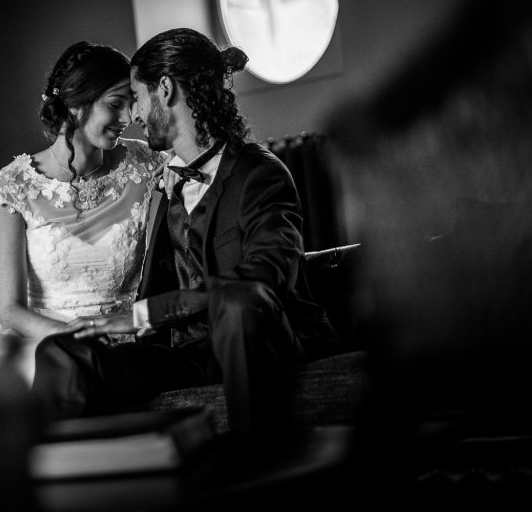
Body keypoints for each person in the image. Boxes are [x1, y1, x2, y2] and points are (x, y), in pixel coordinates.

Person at [32, 28, 341, 448]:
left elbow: (269, 277)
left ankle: (258, 467)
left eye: (137, 97)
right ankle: (69, 480)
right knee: (61, 352)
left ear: (165, 89)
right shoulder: (164, 182)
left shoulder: (260, 173)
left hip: (261, 337)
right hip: (191, 353)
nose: (134, 115)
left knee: (238, 302)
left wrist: (146, 314)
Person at [0, 41, 167, 387]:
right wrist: (79, 339)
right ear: (75, 104)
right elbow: (10, 310)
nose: (128, 117)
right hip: (39, 338)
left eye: (131, 103)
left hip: (124, 336)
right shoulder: (14, 185)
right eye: (115, 104)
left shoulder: (146, 164)